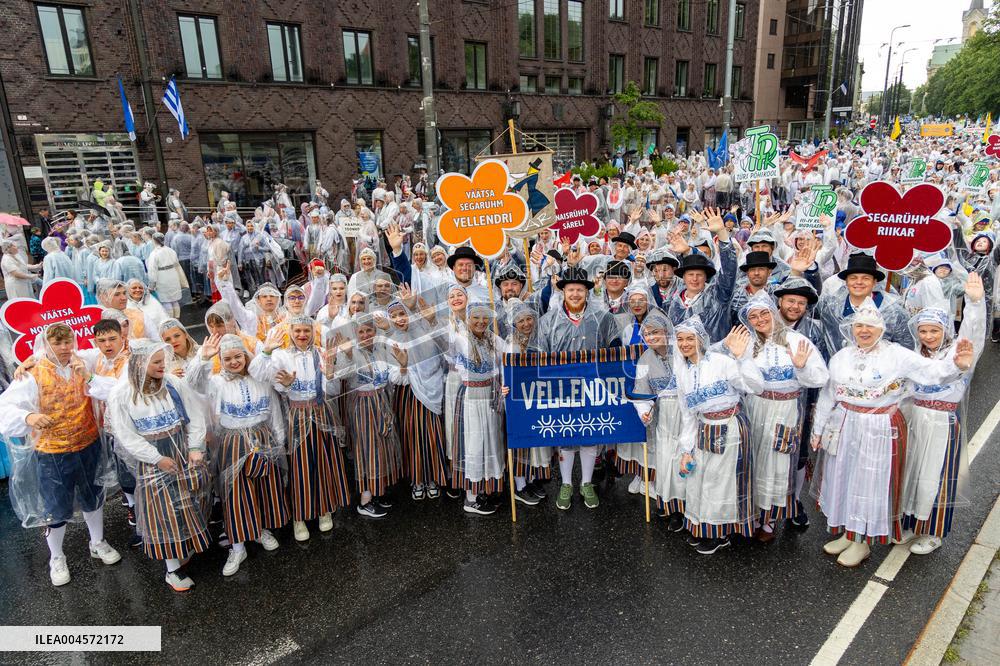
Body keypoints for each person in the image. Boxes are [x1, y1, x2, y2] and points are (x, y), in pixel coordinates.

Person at [810, 300, 974, 568]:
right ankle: (848, 532)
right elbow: (828, 394)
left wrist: (956, 365)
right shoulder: (841, 356)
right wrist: (818, 429)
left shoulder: (897, 355)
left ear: (881, 329)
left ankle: (861, 542)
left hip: (879, 427)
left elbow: (932, 371)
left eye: (871, 326)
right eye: (859, 325)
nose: (864, 331)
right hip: (845, 424)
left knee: (868, 483)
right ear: (851, 328)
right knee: (844, 478)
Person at [0, 323, 122, 587]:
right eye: (58, 343)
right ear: (46, 345)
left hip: (87, 443)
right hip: (53, 451)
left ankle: (97, 541)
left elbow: (114, 382)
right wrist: (28, 416)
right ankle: (56, 556)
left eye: (68, 342)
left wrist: (89, 377)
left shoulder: (84, 360)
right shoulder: (33, 374)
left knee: (93, 495)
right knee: (56, 507)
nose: (65, 348)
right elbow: (5, 406)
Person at [899, 274, 986, 555]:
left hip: (943, 422)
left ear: (945, 330)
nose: (928, 336)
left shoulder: (957, 353)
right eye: (923, 331)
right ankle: (911, 522)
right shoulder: (915, 355)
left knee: (936, 476)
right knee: (911, 473)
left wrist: (975, 304)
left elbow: (972, 334)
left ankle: (934, 532)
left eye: (934, 331)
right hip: (915, 419)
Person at [190, 333, 289, 576]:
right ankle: (238, 546)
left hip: (262, 437)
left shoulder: (260, 379)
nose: (234, 362)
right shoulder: (216, 382)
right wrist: (203, 358)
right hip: (233, 442)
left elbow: (274, 411)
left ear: (245, 356)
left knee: (264, 487)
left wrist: (279, 441)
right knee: (236, 494)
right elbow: (194, 383)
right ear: (220, 361)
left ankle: (260, 530)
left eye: (238, 356)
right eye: (227, 359)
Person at [738, 294, 828, 542]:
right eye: (753, 316)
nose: (760, 320)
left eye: (764, 313)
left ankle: (769, 521)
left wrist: (801, 367)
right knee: (755, 461)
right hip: (755, 408)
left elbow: (820, 377)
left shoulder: (796, 340)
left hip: (786, 410)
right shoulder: (746, 344)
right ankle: (752, 515)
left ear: (773, 312)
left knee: (778, 463)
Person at [251, 318, 351, 540]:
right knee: (300, 465)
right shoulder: (282, 355)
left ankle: (324, 508)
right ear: (291, 332)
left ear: (313, 332)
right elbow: (260, 375)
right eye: (298, 330)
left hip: (320, 410)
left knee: (323, 460)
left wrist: (332, 369)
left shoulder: (321, 353)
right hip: (297, 413)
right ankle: (300, 516)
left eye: (307, 330)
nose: (302, 334)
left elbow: (332, 387)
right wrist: (284, 383)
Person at [674, 318, 764, 555]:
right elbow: (688, 415)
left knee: (722, 482)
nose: (685, 344)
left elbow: (755, 386)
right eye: (680, 339)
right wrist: (686, 449)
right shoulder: (683, 373)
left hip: (730, 426)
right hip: (705, 427)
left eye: (690, 338)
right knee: (702, 479)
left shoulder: (723, 362)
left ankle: (721, 532)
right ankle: (705, 526)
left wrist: (742, 357)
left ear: (701, 340)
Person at [538, 266, 620, 511]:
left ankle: (585, 483)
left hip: (593, 387)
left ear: (587, 291)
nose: (575, 294)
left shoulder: (602, 317)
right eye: (570, 289)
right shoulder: (548, 320)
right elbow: (540, 355)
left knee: (589, 433)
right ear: (563, 292)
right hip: (560, 387)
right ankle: (565, 483)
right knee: (565, 435)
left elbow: (615, 350)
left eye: (580, 290)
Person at [332, 313, 405, 516]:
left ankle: (378, 491)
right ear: (355, 334)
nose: (365, 334)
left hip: (381, 401)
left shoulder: (381, 349)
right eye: (361, 331)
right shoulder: (350, 351)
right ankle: (365, 500)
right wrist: (346, 355)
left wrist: (403, 365)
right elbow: (342, 375)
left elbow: (395, 377)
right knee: (367, 448)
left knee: (383, 446)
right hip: (362, 404)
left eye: (369, 330)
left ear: (375, 331)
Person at [386, 292, 449, 501]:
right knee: (411, 436)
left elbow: (442, 347)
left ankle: (432, 478)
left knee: (431, 435)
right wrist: (403, 367)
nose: (399, 319)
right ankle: (417, 479)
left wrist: (419, 312)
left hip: (431, 388)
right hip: (407, 394)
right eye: (393, 316)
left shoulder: (423, 329)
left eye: (402, 313)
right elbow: (394, 376)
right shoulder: (390, 341)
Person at [448, 301, 507, 515]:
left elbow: (509, 354)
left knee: (490, 441)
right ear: (468, 318)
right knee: (473, 445)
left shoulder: (494, 340)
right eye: (476, 317)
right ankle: (470, 497)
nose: (481, 322)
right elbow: (446, 343)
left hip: (490, 395)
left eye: (485, 318)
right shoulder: (460, 338)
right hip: (471, 396)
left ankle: (484, 488)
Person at [631, 311, 684, 529]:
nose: (651, 337)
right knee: (666, 461)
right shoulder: (645, 359)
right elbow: (641, 392)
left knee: (686, 459)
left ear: (666, 331)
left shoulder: (681, 351)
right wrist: (644, 410)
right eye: (647, 334)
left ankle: (686, 506)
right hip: (663, 416)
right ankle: (671, 504)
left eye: (655, 332)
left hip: (686, 412)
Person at [505, 300, 549, 504]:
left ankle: (531, 479)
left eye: (529, 318)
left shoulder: (539, 339)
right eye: (520, 321)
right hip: (518, 398)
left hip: (536, 395)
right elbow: (507, 373)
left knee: (534, 441)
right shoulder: (511, 343)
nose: (526, 323)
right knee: (521, 442)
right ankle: (519, 485)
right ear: (514, 324)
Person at [146, 232, 188, 318]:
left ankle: (170, 318)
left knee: (166, 300)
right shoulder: (170, 250)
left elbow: (152, 271)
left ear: (154, 241)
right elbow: (177, 264)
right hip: (173, 275)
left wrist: (151, 285)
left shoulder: (154, 254)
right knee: (174, 299)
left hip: (162, 277)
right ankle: (177, 318)